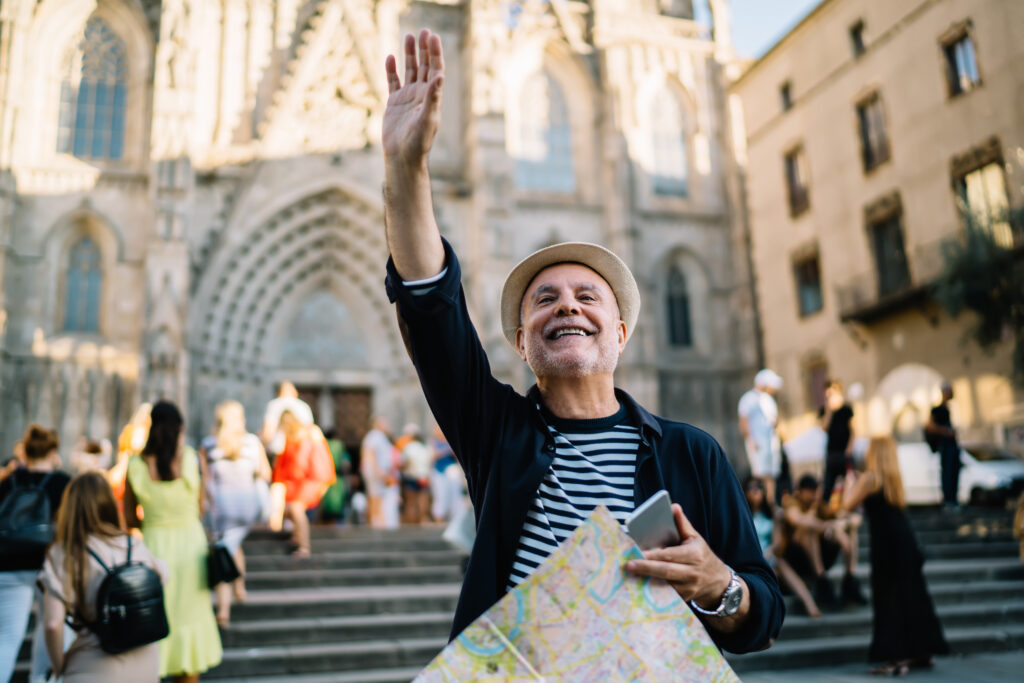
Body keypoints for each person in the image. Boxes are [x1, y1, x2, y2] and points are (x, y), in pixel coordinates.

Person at [380, 29, 783, 650]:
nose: (566, 303)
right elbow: (431, 309)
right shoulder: (497, 436)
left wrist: (718, 585)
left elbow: (761, 616)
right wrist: (406, 169)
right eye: (544, 299)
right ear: (522, 342)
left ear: (620, 334)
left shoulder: (691, 454)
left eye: (587, 296)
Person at [124, 401, 222, 682]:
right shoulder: (191, 458)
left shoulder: (135, 464)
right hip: (191, 549)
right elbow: (201, 506)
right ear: (179, 428)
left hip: (154, 548)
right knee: (189, 622)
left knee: (154, 622)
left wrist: (155, 520)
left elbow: (129, 518)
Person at [39, 471, 166, 682]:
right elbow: (161, 578)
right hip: (146, 664)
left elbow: (53, 624)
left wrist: (58, 666)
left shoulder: (64, 553)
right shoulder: (133, 544)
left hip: (92, 666)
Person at [843, 436, 948, 675]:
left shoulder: (869, 478)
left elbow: (847, 505)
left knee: (887, 596)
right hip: (904, 540)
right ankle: (921, 651)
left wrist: (850, 482)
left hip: (886, 544)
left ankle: (895, 658)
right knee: (912, 593)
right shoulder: (893, 479)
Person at [0, 425, 72, 682]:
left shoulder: (9, 481)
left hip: (8, 565)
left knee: (6, 639)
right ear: (53, 452)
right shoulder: (62, 483)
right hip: (47, 566)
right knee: (50, 630)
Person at [200, 400, 271, 626]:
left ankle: (223, 609)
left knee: (223, 549)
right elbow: (265, 473)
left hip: (223, 506)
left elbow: (205, 481)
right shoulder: (252, 442)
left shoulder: (208, 445)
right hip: (248, 504)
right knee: (233, 543)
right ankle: (239, 587)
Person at [779, 475, 866, 610]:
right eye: (810, 491)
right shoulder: (792, 503)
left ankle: (850, 577)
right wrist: (827, 525)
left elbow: (847, 517)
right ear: (800, 491)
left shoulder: (819, 505)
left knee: (848, 530)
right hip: (795, 558)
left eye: (815, 490)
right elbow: (798, 519)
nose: (814, 495)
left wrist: (844, 525)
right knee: (809, 529)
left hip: (819, 555)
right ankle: (822, 581)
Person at [743, 478, 821, 618]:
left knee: (780, 564)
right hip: (751, 556)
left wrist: (768, 554)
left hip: (768, 554)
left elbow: (777, 542)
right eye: (751, 488)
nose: (756, 491)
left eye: (759, 487)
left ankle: (810, 605)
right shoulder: (742, 514)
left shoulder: (771, 513)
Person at [271, 411, 335, 556]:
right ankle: (297, 536)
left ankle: (304, 547)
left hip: (309, 478)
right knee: (289, 508)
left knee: (296, 508)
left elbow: (303, 462)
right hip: (296, 481)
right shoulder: (292, 439)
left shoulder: (308, 435)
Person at [738, 369, 784, 507]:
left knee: (771, 475)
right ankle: (761, 506)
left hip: (771, 443)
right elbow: (743, 421)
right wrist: (751, 440)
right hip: (758, 444)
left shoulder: (768, 400)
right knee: (760, 475)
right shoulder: (748, 399)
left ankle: (771, 504)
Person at [925, 381, 960, 511]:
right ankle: (948, 501)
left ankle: (953, 500)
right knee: (948, 472)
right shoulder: (938, 409)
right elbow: (929, 426)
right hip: (946, 446)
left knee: (954, 472)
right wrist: (946, 432)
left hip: (952, 446)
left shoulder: (949, 408)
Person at [360, 417, 399, 529]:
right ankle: (375, 520)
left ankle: (378, 519)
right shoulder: (375, 436)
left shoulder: (378, 436)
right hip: (375, 472)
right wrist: (378, 470)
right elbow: (371, 452)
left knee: (377, 495)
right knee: (375, 496)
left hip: (376, 471)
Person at [820, 381, 855, 503]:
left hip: (844, 452)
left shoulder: (846, 409)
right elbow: (824, 427)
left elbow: (853, 430)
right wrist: (828, 411)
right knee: (828, 485)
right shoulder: (825, 411)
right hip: (832, 453)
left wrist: (849, 448)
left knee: (849, 482)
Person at [261, 382, 314, 457]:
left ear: (279, 393)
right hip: (301, 450)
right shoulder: (303, 406)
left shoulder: (274, 405)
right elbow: (310, 430)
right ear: (295, 392)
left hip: (279, 450)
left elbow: (268, 432)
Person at [399, 423, 432, 524]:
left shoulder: (408, 447)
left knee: (411, 502)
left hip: (411, 476)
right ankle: (423, 519)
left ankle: (412, 522)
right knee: (423, 500)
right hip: (423, 476)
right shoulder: (424, 448)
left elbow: (405, 463)